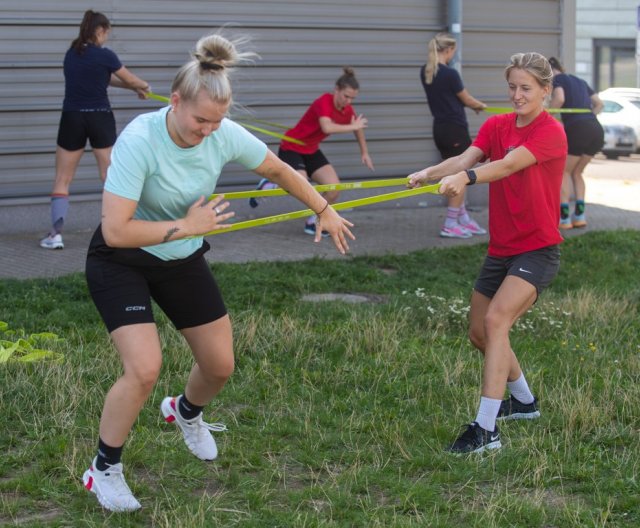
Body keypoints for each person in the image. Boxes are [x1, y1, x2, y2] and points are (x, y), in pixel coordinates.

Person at [82, 32, 355, 512]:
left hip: (181, 258)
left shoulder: (222, 131)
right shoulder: (139, 141)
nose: (209, 131)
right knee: (144, 369)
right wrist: (186, 225)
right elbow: (116, 231)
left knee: (219, 366)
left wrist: (323, 208)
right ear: (175, 101)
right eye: (200, 120)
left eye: (218, 121)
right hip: (121, 260)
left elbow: (278, 169)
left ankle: (185, 412)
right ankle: (103, 469)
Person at [409, 52, 567, 454]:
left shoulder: (550, 132)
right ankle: (525, 403)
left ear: (545, 91)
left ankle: (485, 430)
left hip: (538, 249)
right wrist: (429, 173)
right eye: (512, 87)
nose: (516, 95)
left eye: (525, 88)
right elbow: (466, 159)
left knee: (497, 321)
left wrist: (468, 177)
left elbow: (509, 165)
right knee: (480, 333)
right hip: (501, 249)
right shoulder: (497, 125)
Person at [40, 10, 150, 250]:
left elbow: (105, 78)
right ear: (100, 31)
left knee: (62, 179)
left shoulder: (72, 54)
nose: (106, 39)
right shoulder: (105, 56)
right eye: (106, 34)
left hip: (72, 118)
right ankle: (120, 229)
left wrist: (132, 88)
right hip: (100, 118)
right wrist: (142, 86)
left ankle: (55, 235)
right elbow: (129, 79)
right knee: (110, 177)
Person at [249, 67, 374, 236]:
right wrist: (354, 125)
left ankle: (314, 221)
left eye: (352, 98)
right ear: (336, 90)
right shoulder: (323, 101)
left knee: (334, 189)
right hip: (291, 147)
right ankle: (271, 183)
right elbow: (327, 126)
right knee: (299, 182)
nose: (349, 102)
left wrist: (364, 153)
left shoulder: (347, 110)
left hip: (311, 150)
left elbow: (358, 129)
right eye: (346, 96)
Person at [419, 32, 487, 239]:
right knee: (461, 175)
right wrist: (480, 106)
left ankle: (462, 218)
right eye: (452, 52)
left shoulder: (426, 71)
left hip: (440, 129)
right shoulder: (449, 74)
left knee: (454, 172)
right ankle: (450, 223)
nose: (452, 56)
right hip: (454, 129)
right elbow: (466, 99)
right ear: (448, 50)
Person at [548, 57, 604, 229]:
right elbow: (599, 104)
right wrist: (588, 119)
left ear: (551, 70)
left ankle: (564, 219)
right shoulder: (580, 81)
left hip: (577, 129)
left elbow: (560, 99)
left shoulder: (558, 79)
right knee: (577, 173)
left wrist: (546, 117)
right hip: (596, 129)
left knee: (563, 172)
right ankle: (579, 216)